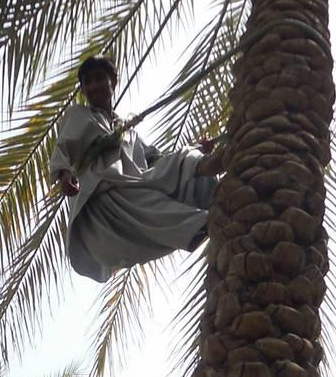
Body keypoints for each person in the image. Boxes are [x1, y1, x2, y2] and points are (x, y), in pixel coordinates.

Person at [50, 54, 222, 284]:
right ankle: (210, 217)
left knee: (184, 158)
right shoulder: (79, 115)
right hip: (104, 196)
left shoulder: (127, 130)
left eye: (99, 78)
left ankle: (216, 179)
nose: (93, 86)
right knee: (156, 204)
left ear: (113, 81)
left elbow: (155, 159)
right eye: (87, 82)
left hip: (134, 184)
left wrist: (197, 149)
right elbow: (64, 148)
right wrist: (64, 176)